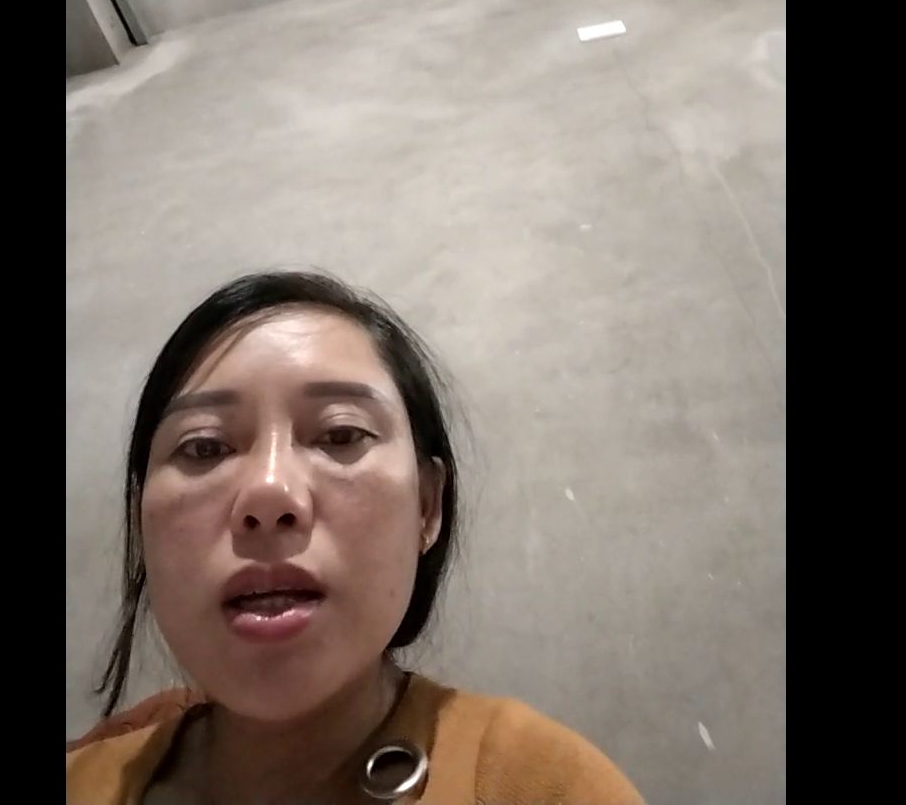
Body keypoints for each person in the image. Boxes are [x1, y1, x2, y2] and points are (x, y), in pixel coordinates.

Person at [66, 271, 644, 805]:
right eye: (204, 447)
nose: (269, 493)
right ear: (142, 521)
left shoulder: (546, 787)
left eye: (341, 434)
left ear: (427, 505)